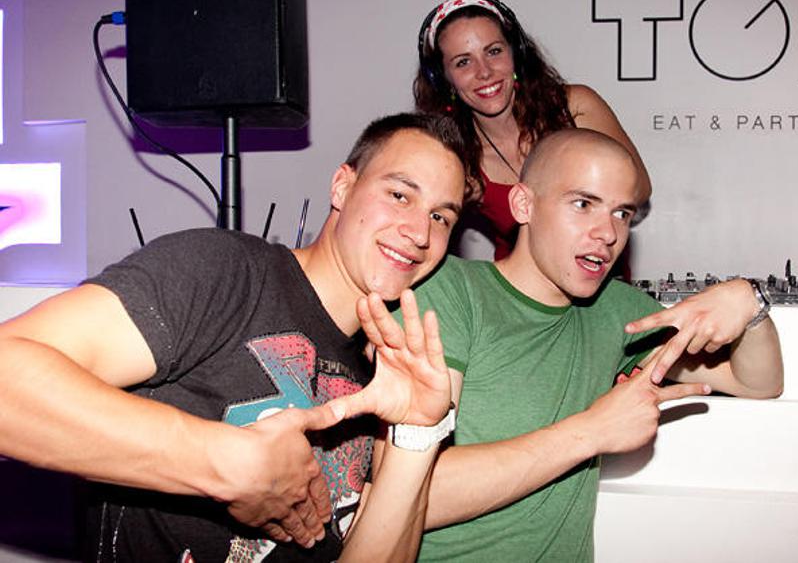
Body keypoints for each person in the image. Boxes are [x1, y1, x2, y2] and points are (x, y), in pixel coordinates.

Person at [0, 113, 481, 562]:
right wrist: (225, 463)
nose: (420, 232)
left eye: (441, 217)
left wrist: (418, 433)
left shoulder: (378, 378)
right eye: (399, 195)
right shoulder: (225, 272)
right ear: (342, 185)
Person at [360, 128, 784, 561]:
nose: (608, 233)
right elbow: (407, 498)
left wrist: (750, 304)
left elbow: (758, 383)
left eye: (622, 213)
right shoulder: (448, 292)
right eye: (583, 204)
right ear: (523, 205)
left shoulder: (617, 309)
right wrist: (591, 431)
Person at [414, 0, 652, 260]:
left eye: (494, 51)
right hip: (517, 285)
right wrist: (457, 193)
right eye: (463, 62)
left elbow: (640, 187)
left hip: (599, 272)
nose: (484, 72)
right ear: (442, 78)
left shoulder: (574, 107)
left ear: (516, 53)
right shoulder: (455, 154)